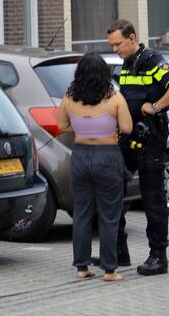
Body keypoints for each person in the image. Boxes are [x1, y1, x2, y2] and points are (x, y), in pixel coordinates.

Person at [107, 19, 169, 276]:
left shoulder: (152, 60)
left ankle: (158, 256)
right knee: (112, 188)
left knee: (152, 197)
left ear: (132, 38)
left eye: (118, 44)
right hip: (128, 136)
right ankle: (118, 250)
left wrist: (156, 106)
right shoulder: (128, 63)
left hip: (150, 137)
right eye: (112, 45)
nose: (115, 49)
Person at [58, 53, 133, 282]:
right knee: (109, 215)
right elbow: (127, 128)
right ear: (104, 74)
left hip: (80, 156)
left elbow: (62, 126)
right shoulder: (115, 98)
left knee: (81, 213)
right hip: (108, 156)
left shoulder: (69, 98)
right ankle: (109, 270)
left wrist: (83, 128)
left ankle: (81, 266)